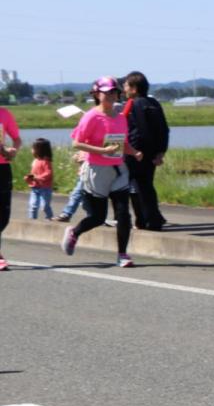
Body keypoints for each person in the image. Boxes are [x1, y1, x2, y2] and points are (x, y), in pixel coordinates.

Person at [62, 76, 141, 267]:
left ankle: (122, 254)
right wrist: (102, 151)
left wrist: (134, 152)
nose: (112, 95)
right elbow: (76, 143)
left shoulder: (120, 118)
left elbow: (123, 143)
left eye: (115, 92)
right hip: (96, 170)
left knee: (123, 214)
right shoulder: (91, 117)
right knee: (98, 217)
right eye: (107, 93)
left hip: (119, 169)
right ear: (97, 94)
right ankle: (74, 232)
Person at [122, 71, 170, 230]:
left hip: (136, 153)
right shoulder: (153, 102)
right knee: (145, 186)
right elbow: (164, 129)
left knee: (129, 187)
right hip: (151, 153)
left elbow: (140, 131)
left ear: (134, 88)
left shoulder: (135, 104)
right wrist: (160, 151)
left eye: (126, 85)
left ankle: (148, 220)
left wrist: (133, 152)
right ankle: (147, 219)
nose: (124, 88)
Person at [0, 103, 22, 271]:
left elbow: (17, 138)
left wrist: (13, 150)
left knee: (4, 216)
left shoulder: (4, 114)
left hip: (2, 167)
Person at [25, 138, 54, 220]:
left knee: (44, 206)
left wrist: (37, 177)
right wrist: (29, 178)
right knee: (33, 205)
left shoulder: (46, 161)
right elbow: (33, 174)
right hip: (35, 188)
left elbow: (49, 173)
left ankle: (50, 219)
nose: (31, 150)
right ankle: (32, 221)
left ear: (39, 150)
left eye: (33, 148)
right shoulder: (35, 161)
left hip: (45, 188)